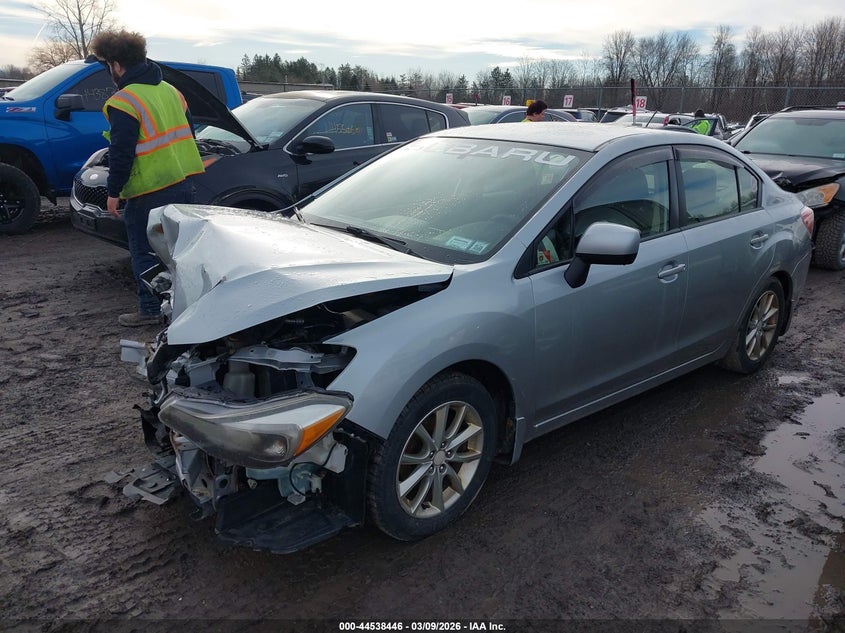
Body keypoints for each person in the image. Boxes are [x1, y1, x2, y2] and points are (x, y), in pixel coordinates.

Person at [90, 30, 205, 327]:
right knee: (178, 252)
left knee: (144, 250)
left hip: (149, 189)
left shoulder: (124, 101)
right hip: (184, 183)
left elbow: (121, 152)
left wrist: (113, 191)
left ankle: (151, 309)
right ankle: (184, 307)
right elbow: (189, 134)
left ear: (116, 65)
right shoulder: (171, 91)